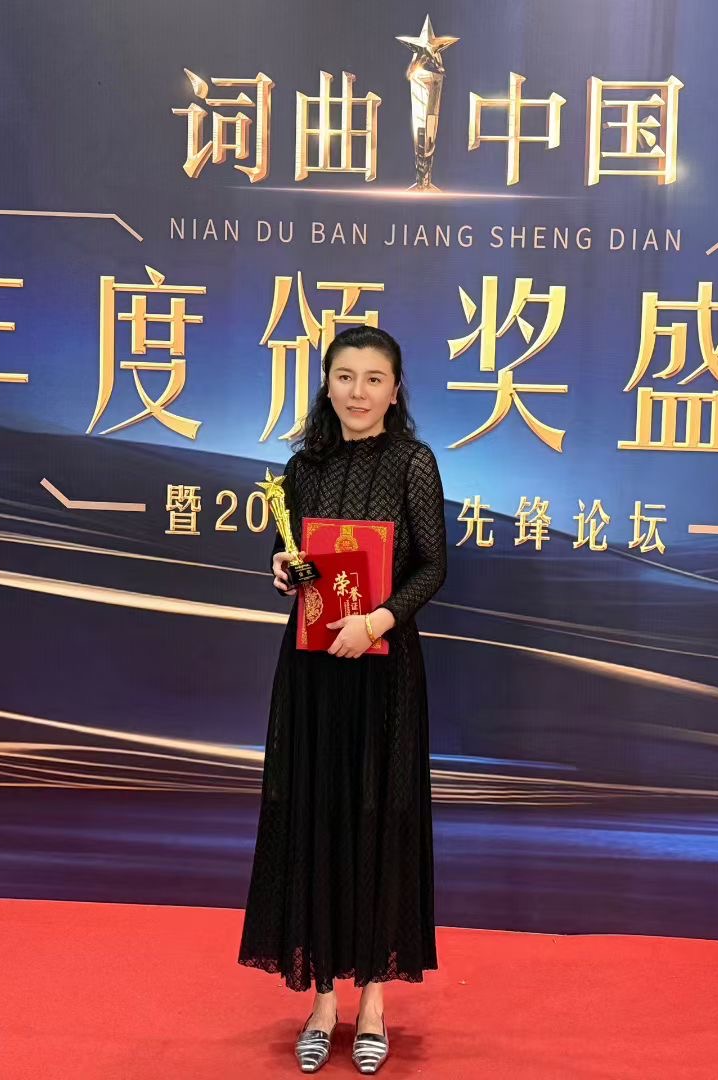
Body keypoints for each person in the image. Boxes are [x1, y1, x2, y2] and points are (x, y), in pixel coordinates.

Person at [239, 325, 447, 1074]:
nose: (358, 392)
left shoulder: (412, 462)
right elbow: (294, 557)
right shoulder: (303, 466)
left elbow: (432, 567)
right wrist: (283, 570)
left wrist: (378, 620)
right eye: (345, 376)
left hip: (383, 668)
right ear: (327, 384)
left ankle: (374, 1003)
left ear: (395, 390)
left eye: (373, 378)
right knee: (315, 816)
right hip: (314, 669)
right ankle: (322, 1001)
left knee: (377, 817)